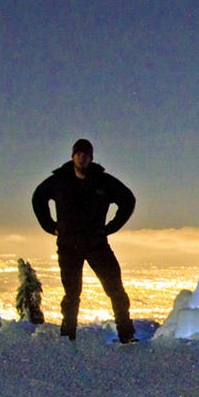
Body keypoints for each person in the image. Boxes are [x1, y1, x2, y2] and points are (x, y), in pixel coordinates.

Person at [32, 139, 137, 343]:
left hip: (96, 244)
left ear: (91, 157)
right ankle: (67, 335)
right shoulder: (59, 180)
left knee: (115, 288)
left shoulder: (103, 181)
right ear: (73, 156)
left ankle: (126, 334)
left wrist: (112, 227)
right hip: (68, 245)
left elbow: (128, 200)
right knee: (72, 293)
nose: (82, 157)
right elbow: (38, 197)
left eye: (86, 154)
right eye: (79, 154)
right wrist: (49, 225)